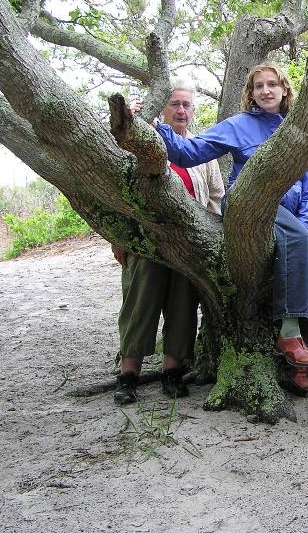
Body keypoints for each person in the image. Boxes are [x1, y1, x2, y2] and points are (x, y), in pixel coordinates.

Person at [155, 62, 308, 394]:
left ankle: (307, 352)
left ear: (284, 90)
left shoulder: (298, 129)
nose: (265, 91)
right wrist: (158, 127)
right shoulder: (239, 125)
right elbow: (187, 153)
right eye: (258, 86)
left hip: (291, 220)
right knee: (295, 237)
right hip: (246, 206)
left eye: (272, 84)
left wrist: (306, 224)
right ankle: (290, 333)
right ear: (251, 94)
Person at [113, 81, 225, 404]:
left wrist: (207, 232)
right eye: (174, 103)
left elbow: (215, 197)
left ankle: (172, 372)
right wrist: (119, 237)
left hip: (189, 244)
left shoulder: (203, 152)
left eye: (186, 105)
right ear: (162, 108)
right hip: (146, 243)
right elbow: (117, 193)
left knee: (183, 306)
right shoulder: (141, 143)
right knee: (139, 303)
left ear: (192, 111)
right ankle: (128, 374)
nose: (180, 110)